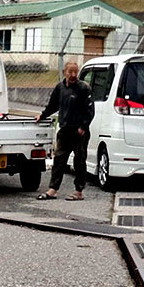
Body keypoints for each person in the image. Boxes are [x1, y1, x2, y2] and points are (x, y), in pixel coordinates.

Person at [36, 60, 94, 201]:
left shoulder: (84, 88)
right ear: (64, 73)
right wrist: (42, 115)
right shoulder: (60, 88)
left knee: (79, 161)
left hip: (79, 132)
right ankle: (53, 189)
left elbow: (90, 111)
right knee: (59, 160)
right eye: (70, 72)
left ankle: (79, 191)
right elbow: (53, 105)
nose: (73, 75)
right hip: (65, 130)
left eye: (76, 71)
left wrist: (82, 127)